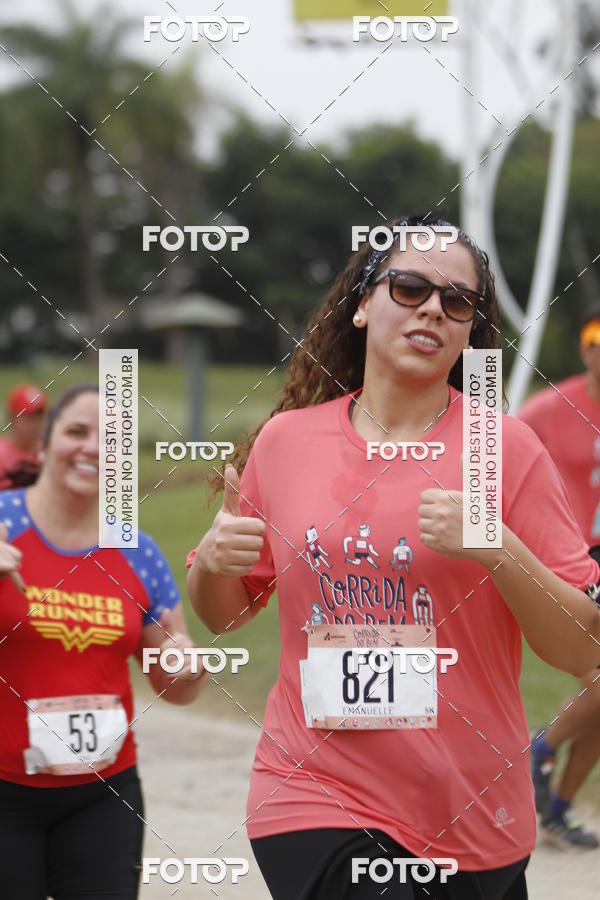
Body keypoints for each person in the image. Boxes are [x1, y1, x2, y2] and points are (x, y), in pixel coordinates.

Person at [187, 211, 600, 900]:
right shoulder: (286, 442)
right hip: (313, 793)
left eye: (457, 301)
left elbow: (581, 649)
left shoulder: (506, 451)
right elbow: (223, 616)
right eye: (409, 288)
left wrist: (498, 548)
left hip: (475, 815)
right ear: (362, 306)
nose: (433, 309)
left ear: (471, 331)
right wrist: (211, 565)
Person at [0, 384, 207, 899]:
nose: (94, 448)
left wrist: (187, 667)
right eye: (77, 431)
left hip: (103, 792)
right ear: (43, 447)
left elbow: (173, 682)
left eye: (112, 440)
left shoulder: (137, 551)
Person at [519, 309, 600, 849]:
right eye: (597, 342)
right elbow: (489, 455)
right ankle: (539, 751)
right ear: (585, 349)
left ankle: (558, 806)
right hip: (574, 558)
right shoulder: (552, 407)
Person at [0, 382, 47, 484]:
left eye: (38, 417)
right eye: (28, 417)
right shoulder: (1, 455)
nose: (35, 425)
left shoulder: (49, 454)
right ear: (13, 418)